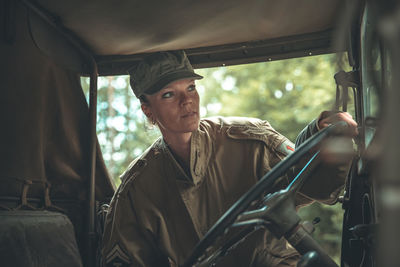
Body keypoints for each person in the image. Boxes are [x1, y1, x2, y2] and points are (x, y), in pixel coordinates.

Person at [102, 51, 358, 267]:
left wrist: (321, 133)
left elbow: (314, 184)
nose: (187, 100)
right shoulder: (137, 188)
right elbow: (123, 259)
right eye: (169, 94)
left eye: (191, 87)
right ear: (147, 109)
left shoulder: (248, 140)